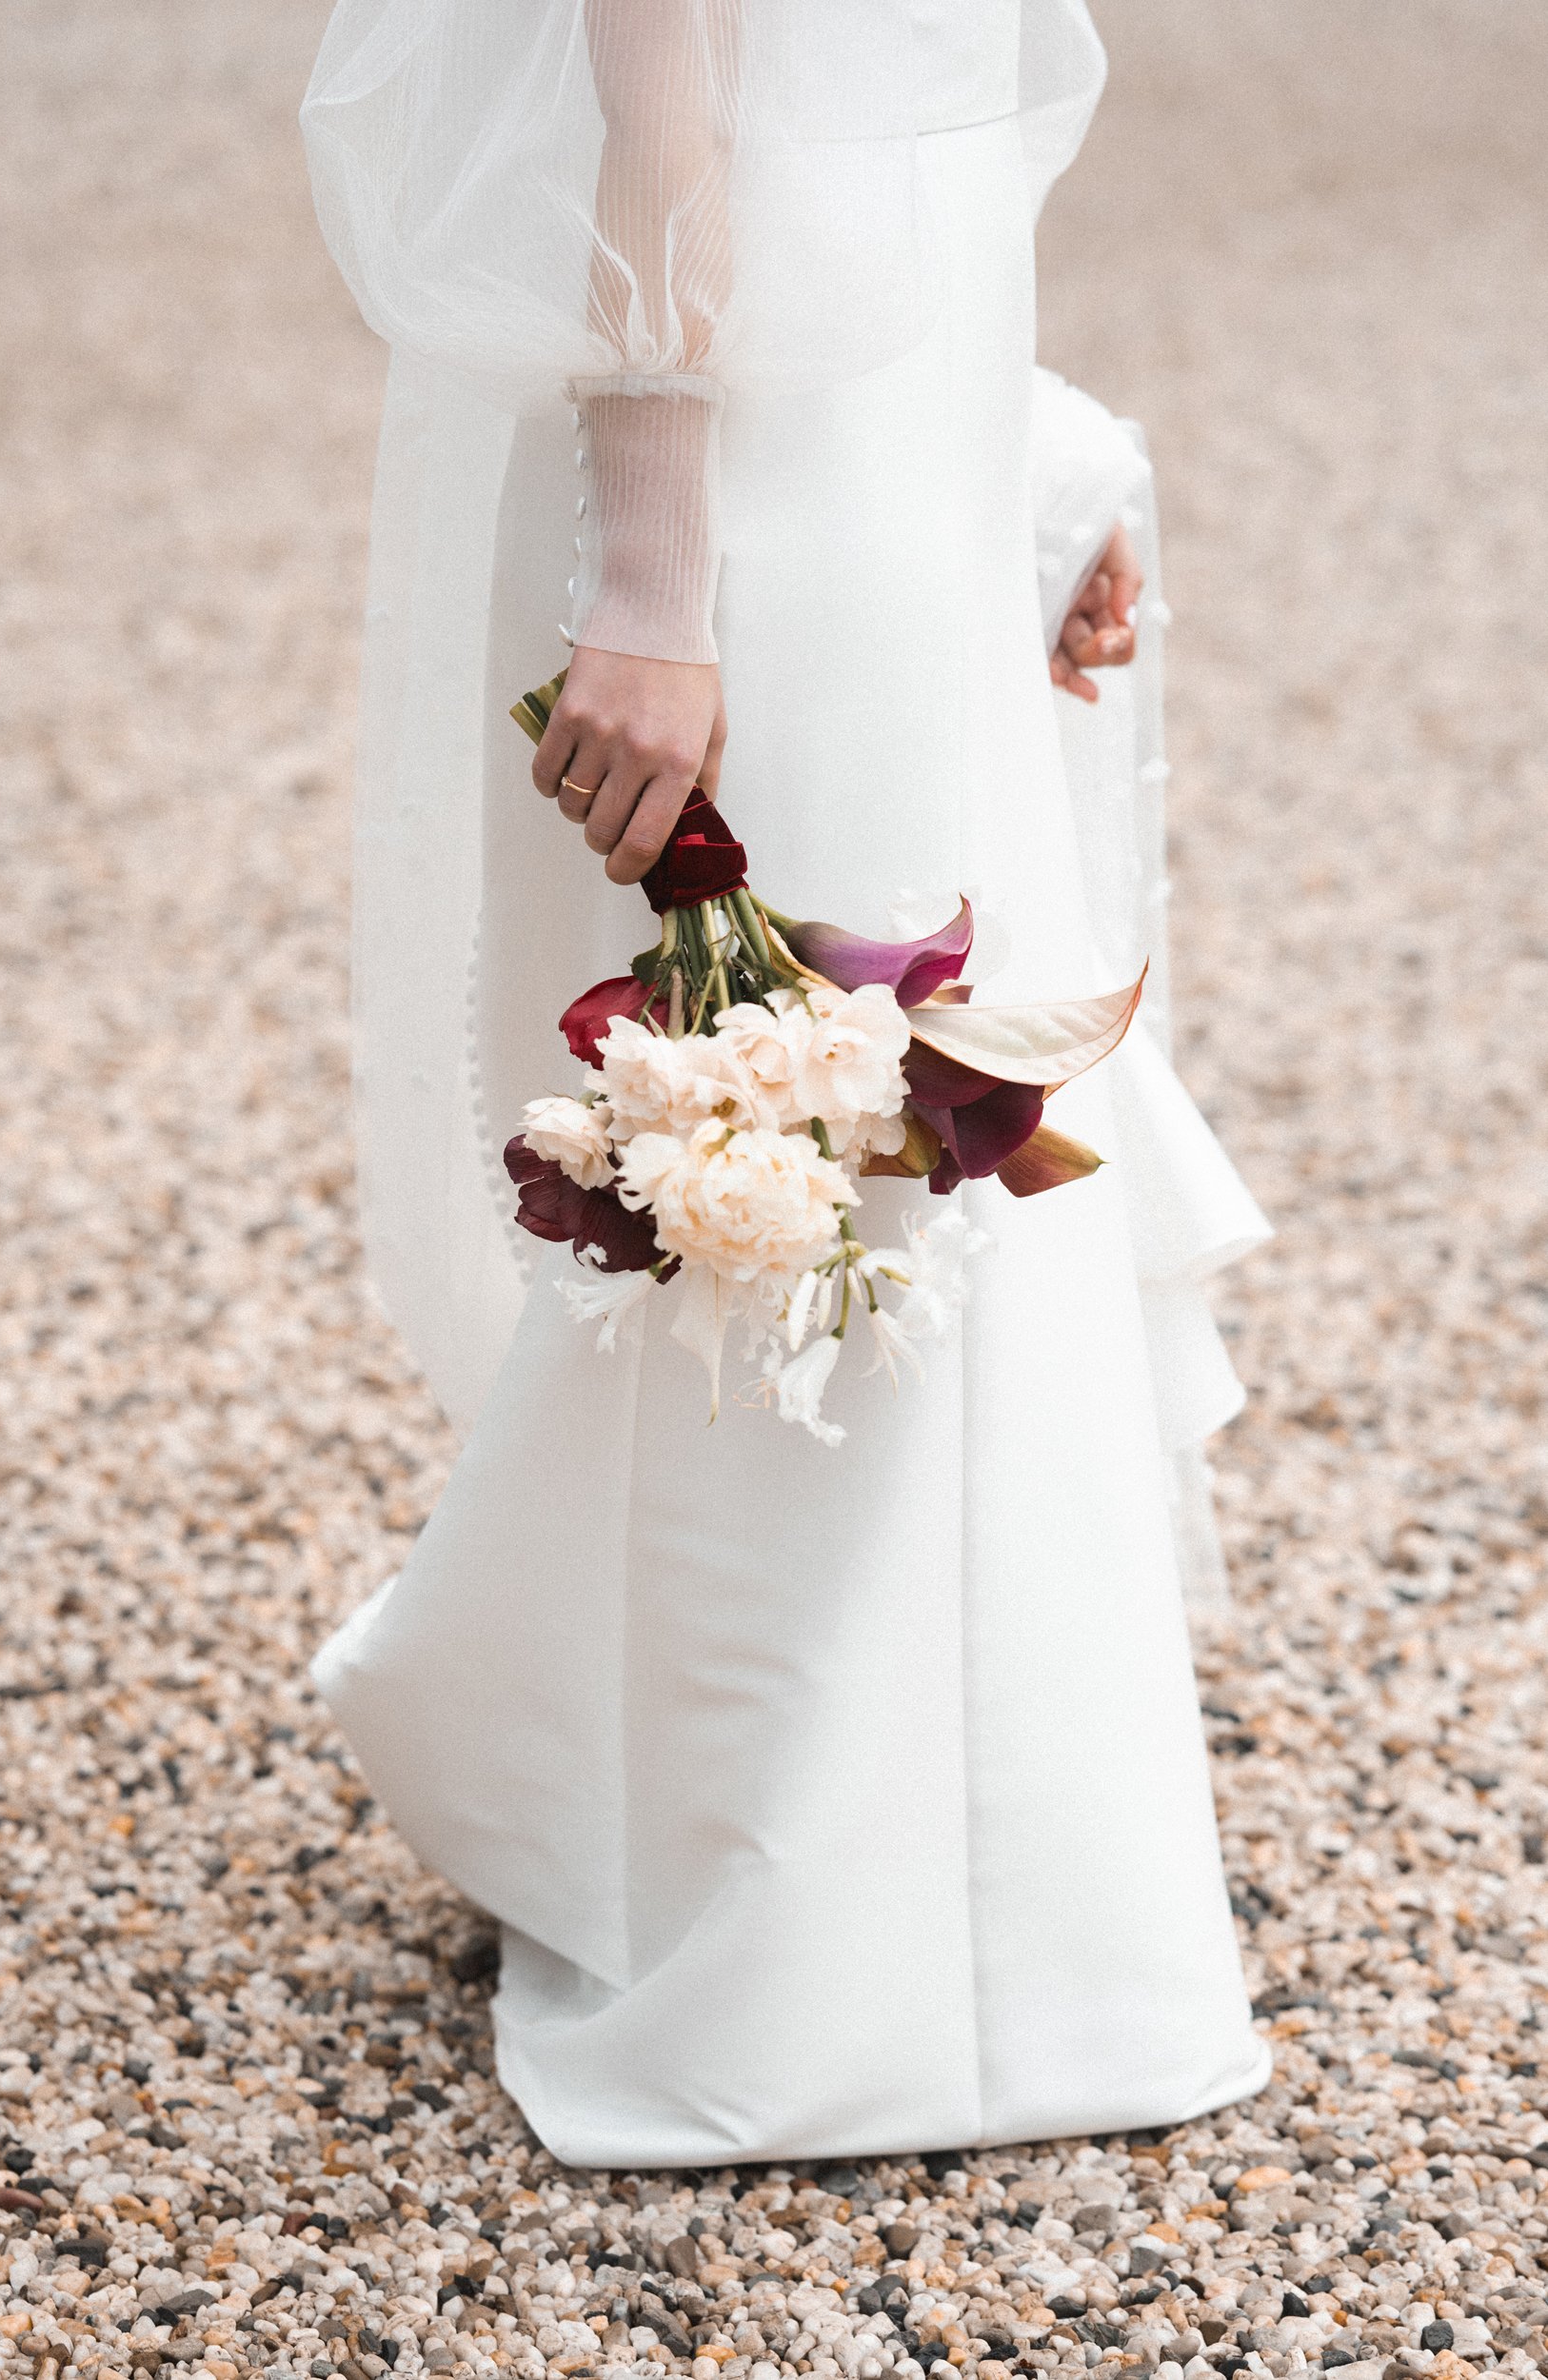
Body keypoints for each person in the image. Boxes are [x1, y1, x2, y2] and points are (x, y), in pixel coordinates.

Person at [300, 0, 1273, 2167]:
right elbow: (672, 72)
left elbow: (861, 81)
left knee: (836, 1143)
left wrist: (1022, 458)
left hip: (803, 470)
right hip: (729, 476)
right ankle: (852, 1894)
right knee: (797, 1143)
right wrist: (660, 562)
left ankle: (868, 1901)